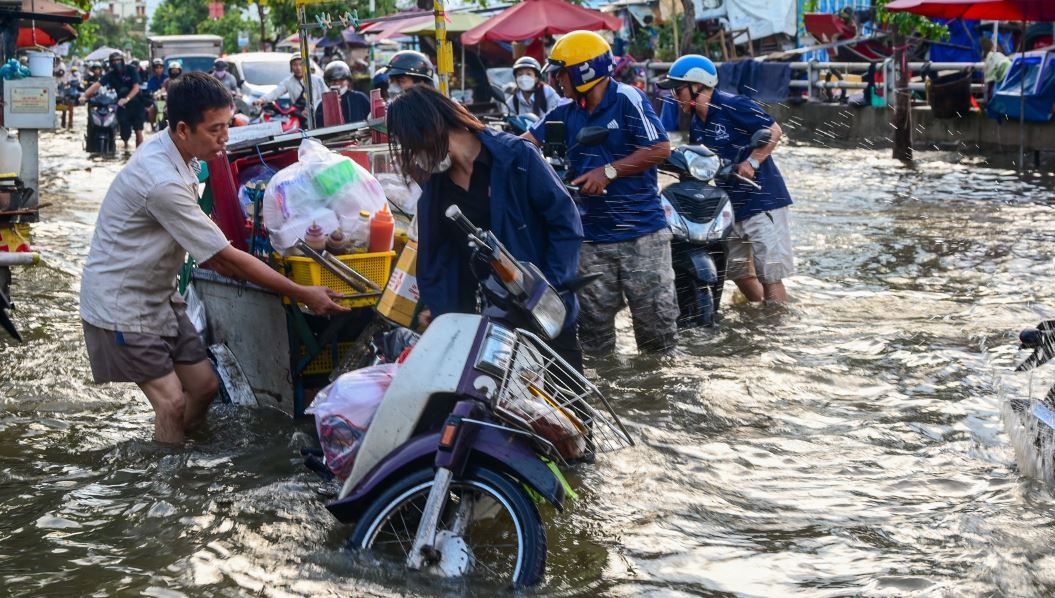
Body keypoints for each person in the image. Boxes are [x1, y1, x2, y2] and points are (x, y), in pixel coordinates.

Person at [80, 72, 348, 444]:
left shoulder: (177, 152)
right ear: (183, 129)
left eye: (227, 125)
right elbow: (225, 259)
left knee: (205, 387)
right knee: (171, 402)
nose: (225, 137)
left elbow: (212, 244)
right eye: (215, 129)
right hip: (121, 303)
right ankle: (169, 472)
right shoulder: (161, 181)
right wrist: (302, 292)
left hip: (158, 294)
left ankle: (177, 444)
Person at [387, 86, 585, 369]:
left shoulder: (517, 157)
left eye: (415, 146)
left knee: (565, 392)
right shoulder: (435, 188)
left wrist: (551, 287)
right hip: (491, 322)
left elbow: (565, 223)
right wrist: (445, 316)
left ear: (430, 128)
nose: (415, 156)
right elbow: (437, 260)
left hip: (546, 310)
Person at [524, 30, 678, 356]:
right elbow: (525, 144)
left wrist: (608, 171)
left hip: (642, 236)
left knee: (657, 338)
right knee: (594, 342)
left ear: (584, 71)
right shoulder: (563, 111)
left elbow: (660, 148)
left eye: (561, 73)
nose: (556, 80)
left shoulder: (628, 99)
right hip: (590, 239)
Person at [658, 54, 794, 304]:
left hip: (762, 201)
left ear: (697, 86)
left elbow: (774, 130)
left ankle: (777, 321)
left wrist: (752, 163)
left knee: (770, 275)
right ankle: (760, 314)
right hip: (730, 206)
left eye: (678, 90)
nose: (675, 97)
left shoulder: (734, 105)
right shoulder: (697, 123)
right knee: (738, 272)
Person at [81, 51, 145, 149]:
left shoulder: (131, 70)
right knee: (124, 132)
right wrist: (84, 95)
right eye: (114, 61)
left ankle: (140, 152)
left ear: (122, 60)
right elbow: (97, 85)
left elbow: (136, 87)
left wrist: (127, 99)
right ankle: (126, 147)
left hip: (136, 103)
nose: (116, 63)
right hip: (121, 105)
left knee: (138, 131)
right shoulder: (110, 74)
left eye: (118, 60)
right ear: (111, 63)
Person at [253, 55, 326, 120]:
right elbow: (275, 92)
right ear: (291, 67)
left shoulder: (317, 80)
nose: (298, 68)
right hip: (300, 116)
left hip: (318, 115)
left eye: (301, 64)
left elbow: (325, 96)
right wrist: (262, 100)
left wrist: (312, 109)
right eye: (295, 65)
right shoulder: (288, 82)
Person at [314, 60, 371, 126]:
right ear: (328, 82)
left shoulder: (360, 98)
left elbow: (371, 119)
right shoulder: (323, 105)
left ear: (348, 80)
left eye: (341, 79)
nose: (337, 83)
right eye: (333, 80)